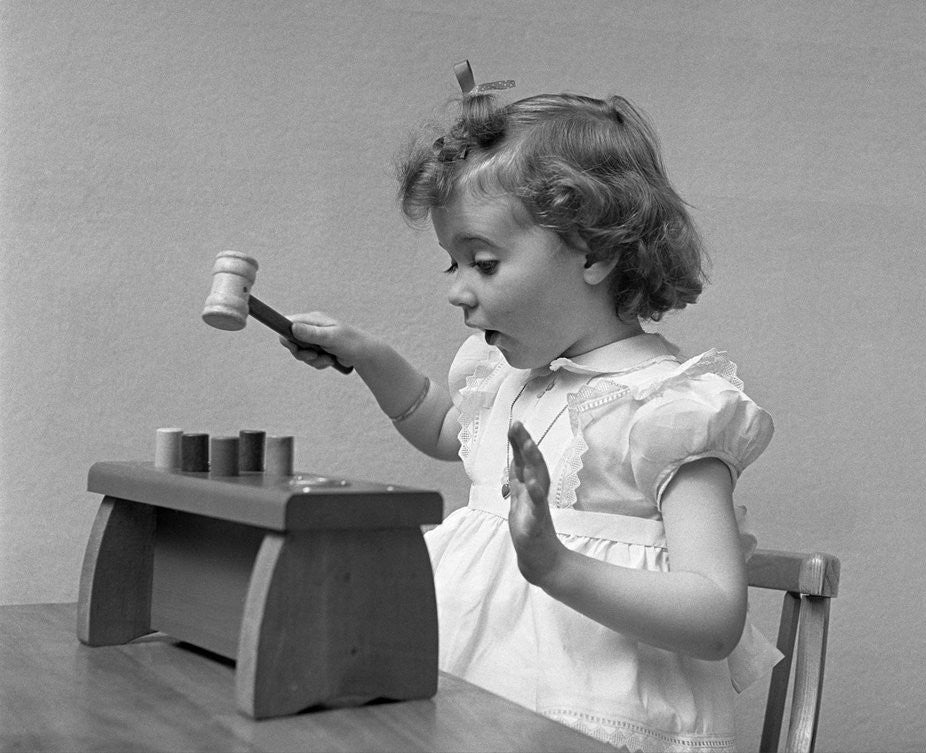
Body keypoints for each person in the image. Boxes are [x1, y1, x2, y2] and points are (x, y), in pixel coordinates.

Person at [280, 63, 780, 753]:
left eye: (482, 263)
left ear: (595, 252)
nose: (457, 290)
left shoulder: (669, 407)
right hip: (477, 696)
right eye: (450, 264)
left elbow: (718, 613)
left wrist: (555, 564)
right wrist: (370, 357)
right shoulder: (505, 377)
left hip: (593, 721)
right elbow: (439, 423)